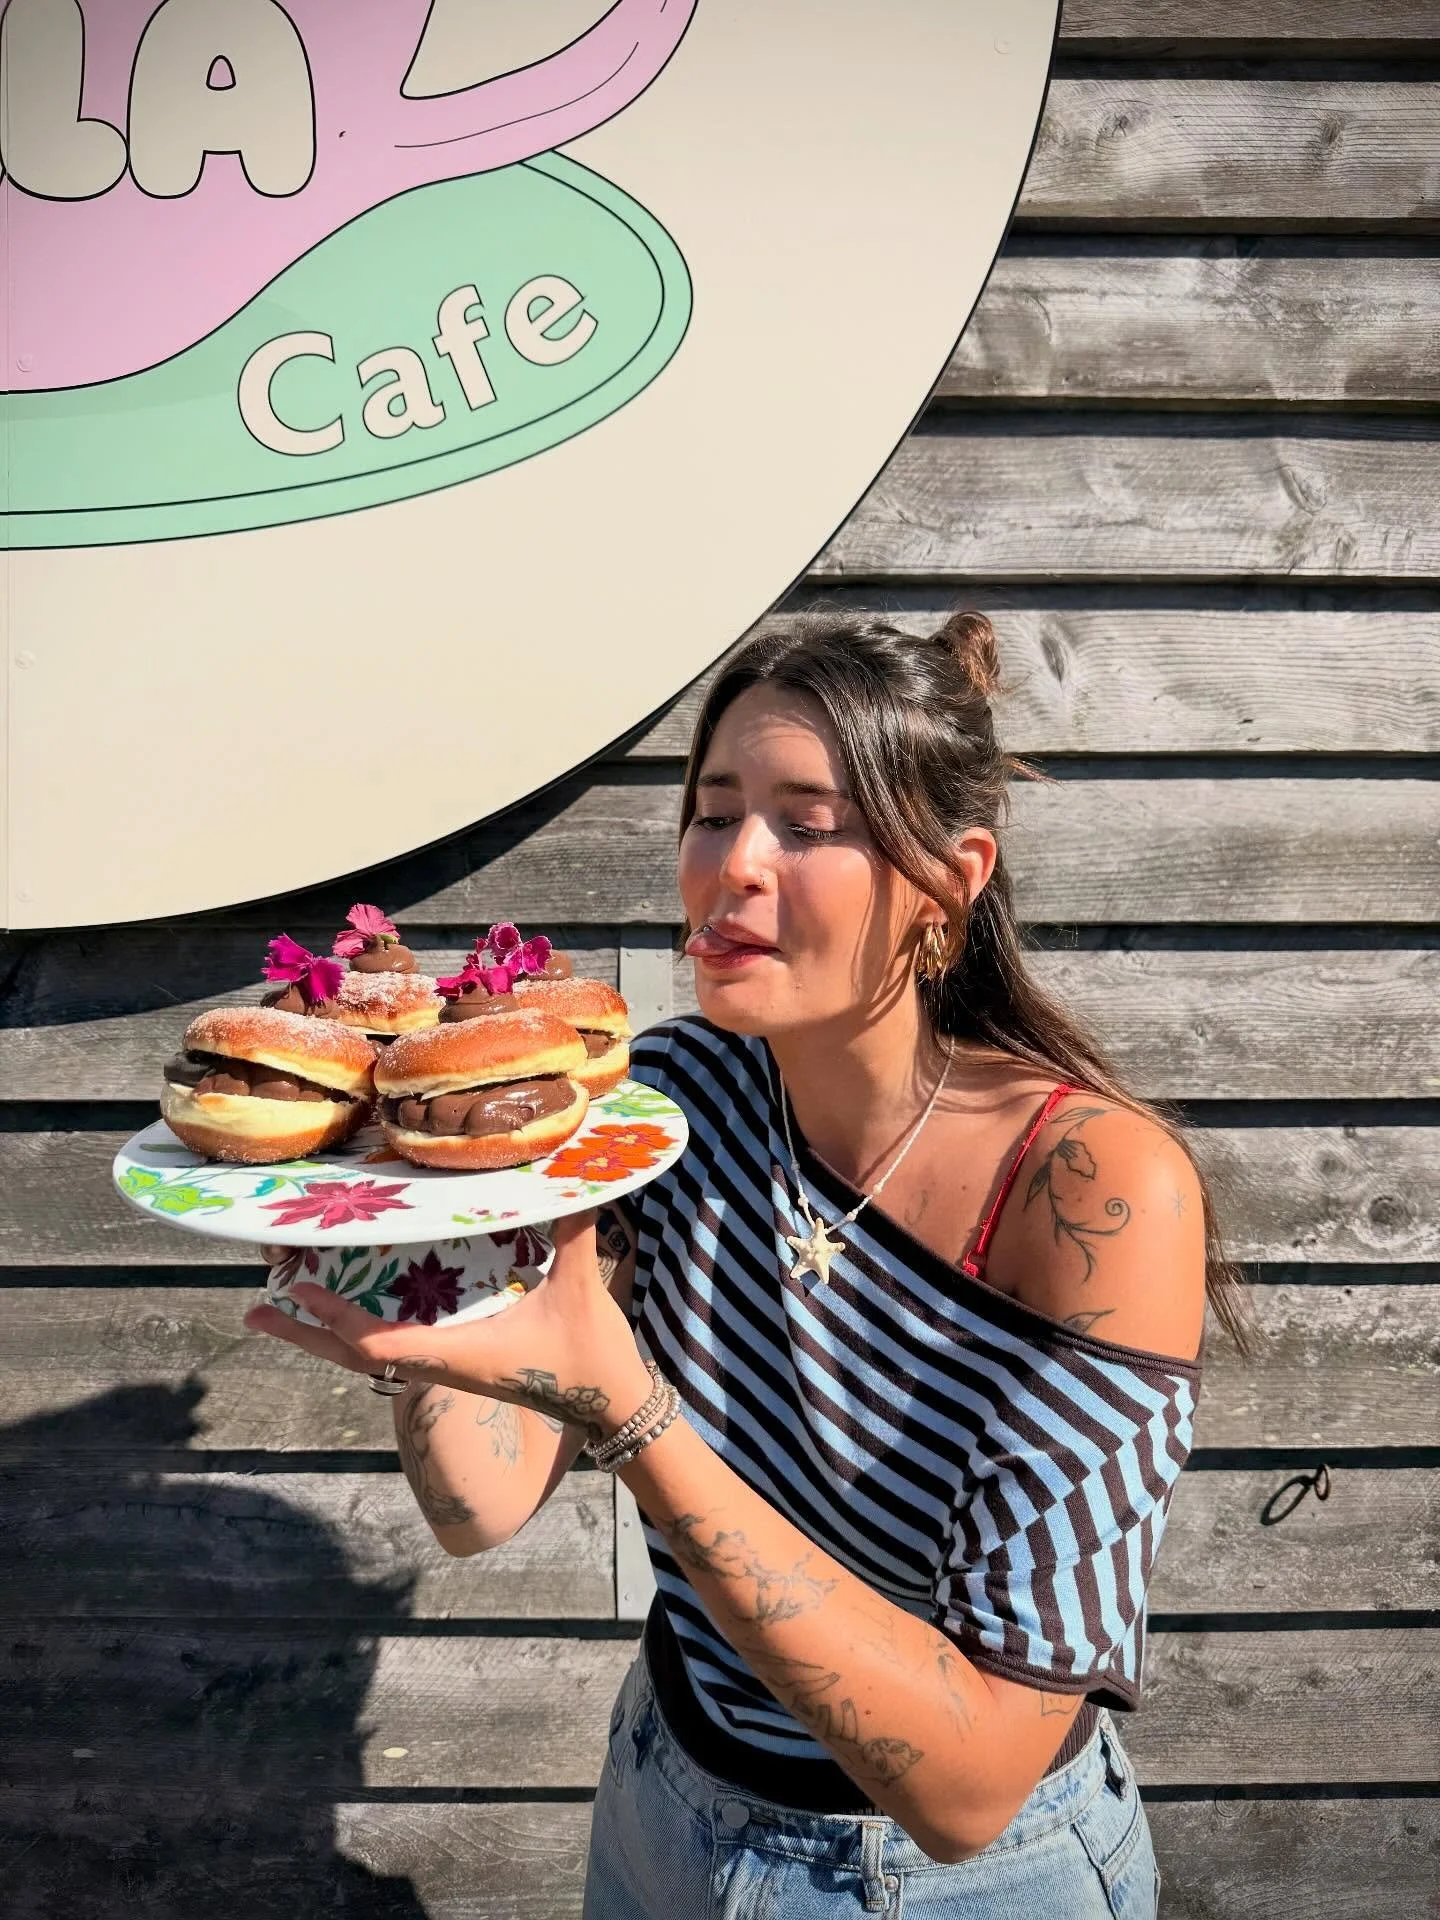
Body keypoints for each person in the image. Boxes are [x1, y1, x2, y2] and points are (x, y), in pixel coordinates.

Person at [246, 610, 1248, 1918]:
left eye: (807, 823)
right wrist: (424, 1236)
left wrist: (630, 1410)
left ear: (949, 879)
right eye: (714, 814)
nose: (734, 867)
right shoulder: (666, 1103)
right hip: (668, 1790)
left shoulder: (1094, 1190)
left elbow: (967, 1788)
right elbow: (479, 1505)